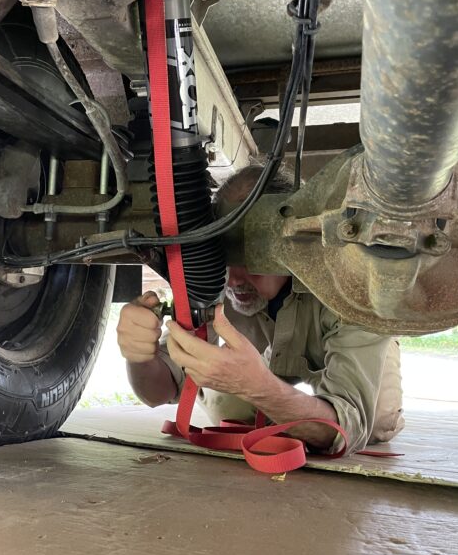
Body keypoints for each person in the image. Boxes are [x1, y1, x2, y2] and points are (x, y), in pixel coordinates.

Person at [117, 165, 404, 454]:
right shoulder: (212, 281)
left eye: (250, 257)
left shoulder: (350, 288)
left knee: (377, 420)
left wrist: (258, 387)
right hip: (259, 362)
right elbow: (160, 391)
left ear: (294, 247)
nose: (234, 279)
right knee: (229, 409)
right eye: (226, 256)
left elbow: (347, 428)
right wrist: (140, 357)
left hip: (342, 346)